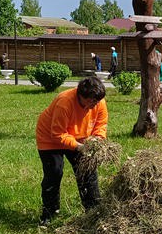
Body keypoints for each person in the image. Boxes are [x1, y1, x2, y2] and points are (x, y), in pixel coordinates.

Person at [35, 76, 109, 224]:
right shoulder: (65, 102)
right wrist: (79, 146)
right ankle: (49, 212)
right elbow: (57, 134)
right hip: (50, 138)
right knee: (54, 172)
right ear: (80, 95)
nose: (94, 105)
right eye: (91, 102)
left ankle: (93, 210)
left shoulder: (99, 102)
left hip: (80, 138)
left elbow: (101, 124)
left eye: (97, 102)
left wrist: (97, 139)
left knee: (87, 170)